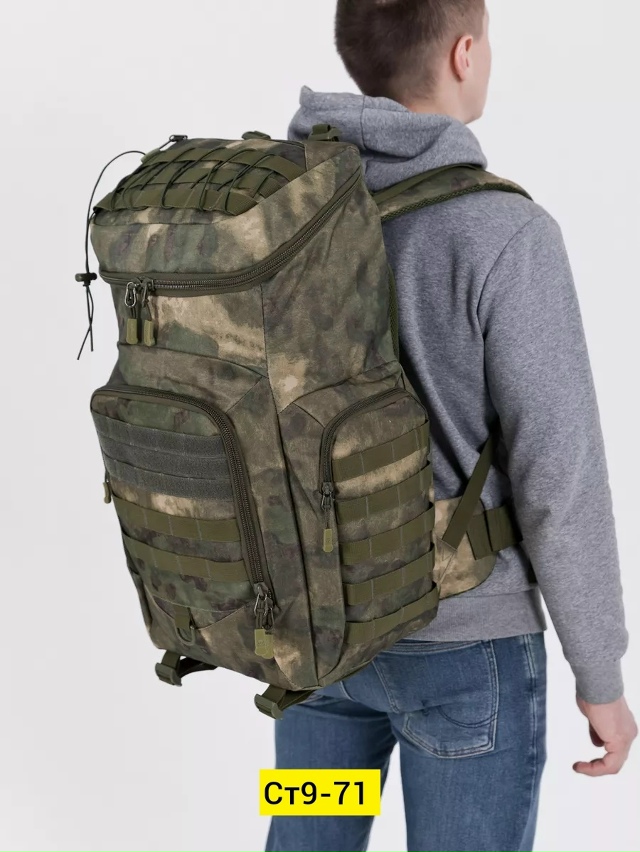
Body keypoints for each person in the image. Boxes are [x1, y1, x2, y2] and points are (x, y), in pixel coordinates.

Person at [266, 2, 637, 851]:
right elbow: (559, 475)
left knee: (306, 842)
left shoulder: (278, 219)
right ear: (465, 53)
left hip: (314, 650)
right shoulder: (504, 232)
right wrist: (601, 674)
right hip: (467, 660)